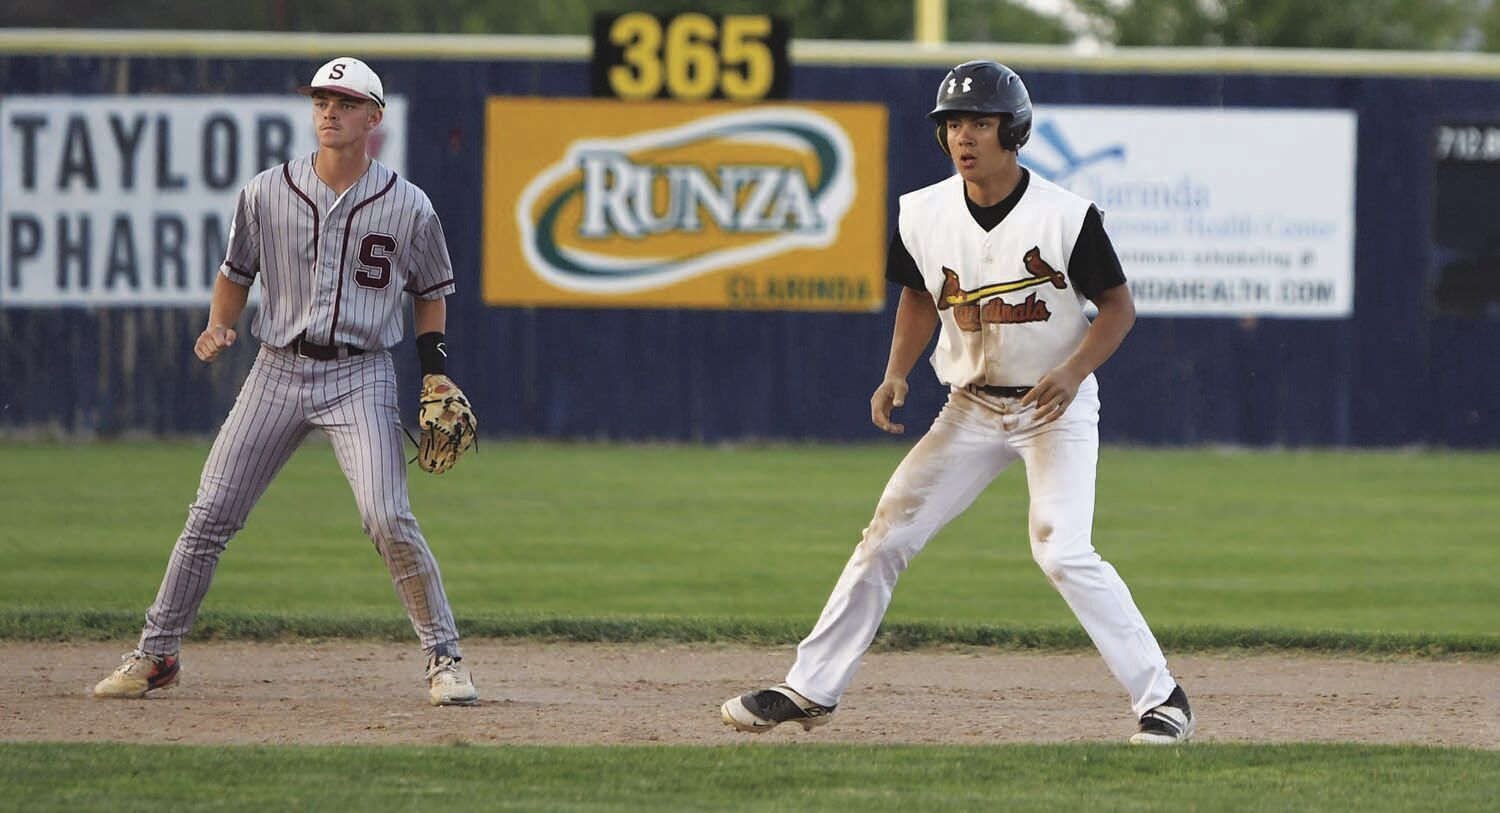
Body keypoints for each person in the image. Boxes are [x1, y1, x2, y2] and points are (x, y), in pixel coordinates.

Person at [721, 60, 1192, 744]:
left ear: (1015, 130)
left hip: (1052, 408)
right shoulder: (924, 212)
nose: (963, 137)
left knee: (1062, 550)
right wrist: (896, 372)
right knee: (886, 536)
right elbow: (919, 293)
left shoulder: (1064, 216)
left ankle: (1164, 698)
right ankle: (810, 688)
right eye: (951, 124)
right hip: (969, 406)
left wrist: (1075, 370)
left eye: (980, 122)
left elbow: (1118, 308)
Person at [93, 57, 478, 707]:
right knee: (211, 511)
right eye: (321, 100)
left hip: (361, 374)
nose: (329, 110)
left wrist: (435, 374)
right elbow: (235, 270)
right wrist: (221, 322)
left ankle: (445, 658)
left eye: (345, 101)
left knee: (387, 515)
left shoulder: (409, 205)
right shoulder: (268, 190)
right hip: (277, 366)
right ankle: (157, 652)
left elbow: (432, 292)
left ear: (372, 117)